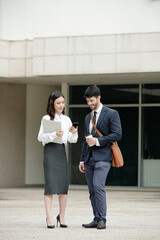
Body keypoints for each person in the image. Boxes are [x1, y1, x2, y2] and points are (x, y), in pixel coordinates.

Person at [79, 85, 122, 230]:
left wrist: (98, 141)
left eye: (92, 101)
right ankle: (96, 218)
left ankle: (103, 219)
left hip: (104, 157)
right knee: (92, 189)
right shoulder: (87, 117)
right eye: (87, 101)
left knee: (98, 186)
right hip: (89, 159)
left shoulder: (112, 113)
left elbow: (117, 134)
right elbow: (86, 139)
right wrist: (81, 159)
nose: (90, 104)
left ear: (99, 97)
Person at [38, 91, 78, 229]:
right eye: (58, 103)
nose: (61, 105)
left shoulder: (67, 119)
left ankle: (61, 216)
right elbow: (40, 137)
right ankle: (49, 217)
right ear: (52, 104)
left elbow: (72, 140)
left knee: (62, 187)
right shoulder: (47, 118)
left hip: (61, 152)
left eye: (63, 102)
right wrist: (54, 134)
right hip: (50, 152)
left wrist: (74, 133)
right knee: (50, 186)